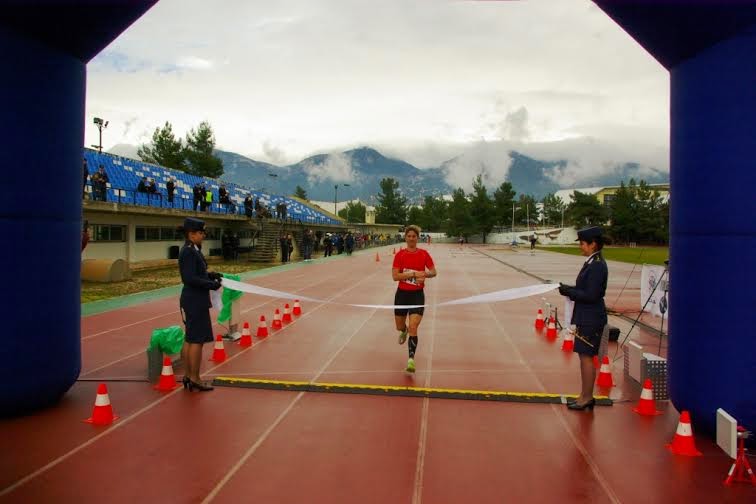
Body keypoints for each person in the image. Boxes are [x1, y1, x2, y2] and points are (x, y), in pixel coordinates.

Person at [558, 226, 608, 411]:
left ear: (593, 244)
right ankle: (585, 395)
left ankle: (586, 397)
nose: (581, 246)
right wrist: (568, 288)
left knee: (586, 357)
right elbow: (586, 290)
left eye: (583, 243)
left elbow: (591, 294)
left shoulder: (596, 266)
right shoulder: (592, 262)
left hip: (591, 317)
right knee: (583, 356)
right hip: (587, 316)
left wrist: (569, 291)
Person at [178, 217, 222, 392]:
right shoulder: (189, 251)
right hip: (195, 299)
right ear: (191, 234)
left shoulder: (193, 249)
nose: (203, 235)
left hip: (194, 298)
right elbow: (188, 278)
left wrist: (209, 275)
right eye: (201, 233)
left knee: (190, 338)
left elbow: (197, 273)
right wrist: (211, 284)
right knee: (196, 340)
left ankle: (189, 376)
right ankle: (194, 377)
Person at [392, 225, 437, 373]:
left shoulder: (424, 254)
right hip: (402, 295)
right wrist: (412, 274)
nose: (411, 238)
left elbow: (433, 272)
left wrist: (424, 275)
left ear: (418, 238)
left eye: (414, 236)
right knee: (400, 326)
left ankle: (411, 359)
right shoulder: (400, 255)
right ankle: (402, 331)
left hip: (417, 295)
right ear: (405, 238)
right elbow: (395, 276)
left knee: (414, 327)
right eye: (409, 236)